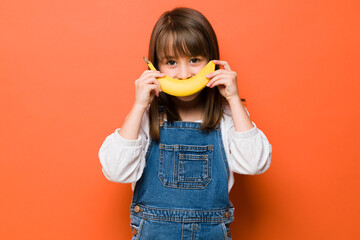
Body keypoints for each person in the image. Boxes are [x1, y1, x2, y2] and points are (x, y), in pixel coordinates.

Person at [99, 7, 271, 240]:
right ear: (154, 67)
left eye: (194, 60)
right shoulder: (147, 116)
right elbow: (116, 171)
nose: (183, 74)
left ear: (212, 61)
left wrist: (233, 99)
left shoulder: (228, 117)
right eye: (171, 62)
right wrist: (139, 107)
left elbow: (254, 164)